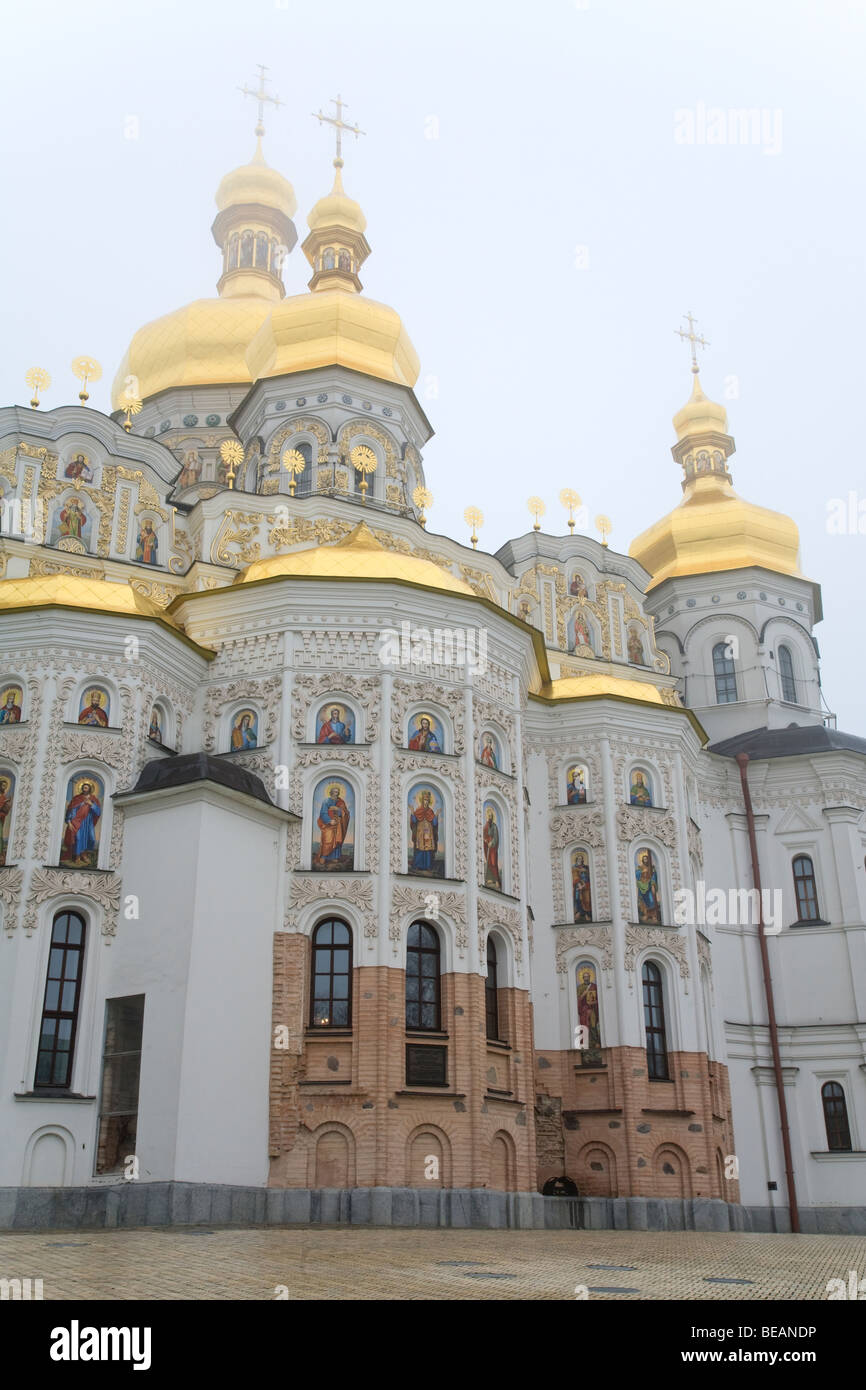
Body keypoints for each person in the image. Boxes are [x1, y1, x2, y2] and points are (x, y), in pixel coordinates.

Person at [61, 781, 102, 867]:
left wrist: (91, 805)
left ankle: (84, 854)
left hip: (88, 822)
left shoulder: (93, 799)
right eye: (83, 787)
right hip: (77, 821)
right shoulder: (77, 798)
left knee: (91, 838)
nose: (84, 789)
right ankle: (77, 856)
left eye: (86, 788)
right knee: (78, 838)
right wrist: (69, 821)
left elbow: (98, 812)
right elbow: (71, 810)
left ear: (90, 789)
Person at [315, 784, 350, 867]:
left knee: (337, 840)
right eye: (334, 792)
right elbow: (323, 813)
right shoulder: (326, 801)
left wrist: (338, 810)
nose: (336, 793)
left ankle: (335, 857)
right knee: (327, 839)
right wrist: (329, 821)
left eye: (337, 792)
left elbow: (346, 813)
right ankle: (324, 856)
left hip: (338, 825)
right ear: (330, 792)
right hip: (329, 825)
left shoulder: (341, 802)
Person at [410, 790, 439, 874]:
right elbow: (414, 821)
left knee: (428, 849)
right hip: (420, 833)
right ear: (422, 801)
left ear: (429, 801)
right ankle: (418, 865)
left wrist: (436, 815)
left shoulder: (430, 812)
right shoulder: (418, 811)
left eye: (427, 800)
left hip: (429, 833)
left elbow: (434, 823)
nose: (426, 802)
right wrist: (412, 812)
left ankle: (428, 866)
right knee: (420, 848)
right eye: (424, 800)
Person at [483, 806, 501, 890]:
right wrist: (486, 840)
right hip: (487, 846)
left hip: (493, 848)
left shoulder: (494, 826)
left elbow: (496, 837)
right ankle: (490, 879)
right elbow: (484, 835)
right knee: (489, 862)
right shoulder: (486, 826)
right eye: (488, 816)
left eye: (491, 816)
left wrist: (492, 842)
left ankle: (497, 880)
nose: (490, 817)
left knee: (494, 863)